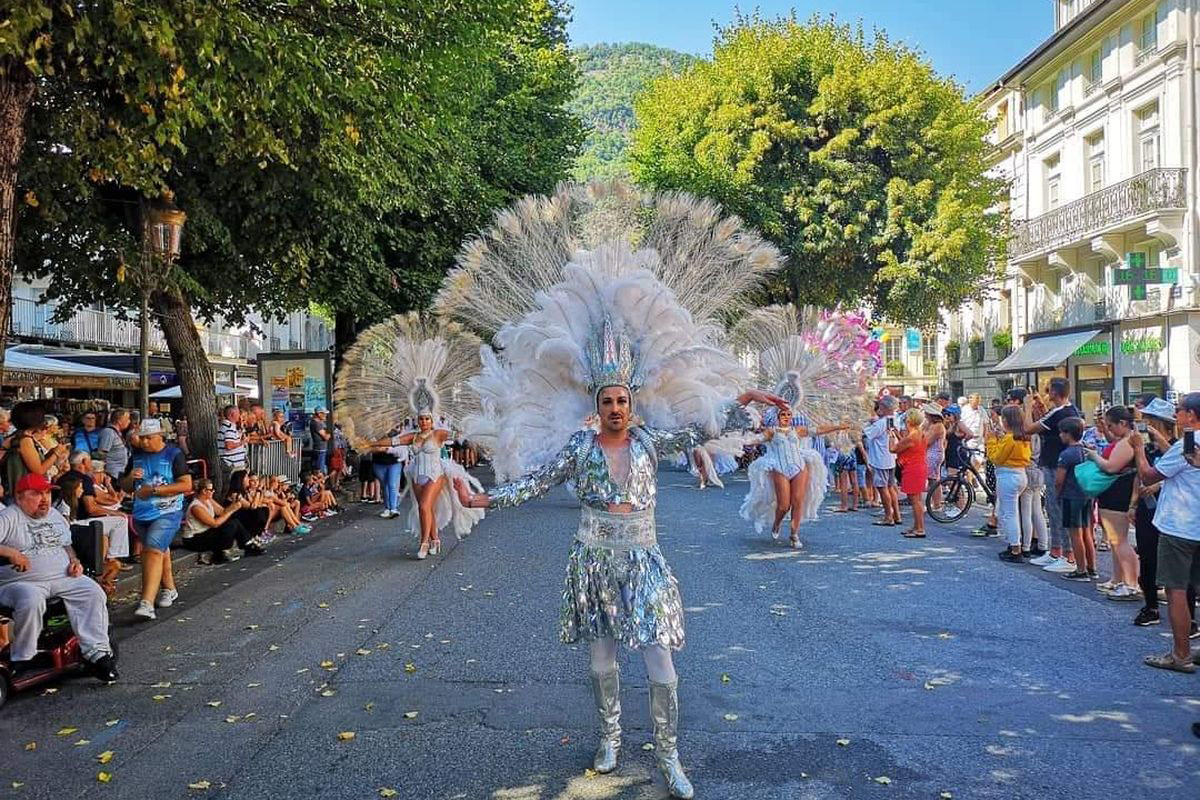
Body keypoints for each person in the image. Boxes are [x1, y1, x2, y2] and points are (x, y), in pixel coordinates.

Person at [0, 473, 118, 682]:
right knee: (31, 600)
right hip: (21, 582)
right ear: (19, 497)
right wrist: (12, 553)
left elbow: (66, 545)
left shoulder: (54, 515)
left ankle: (98, 654)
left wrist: (74, 561)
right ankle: (23, 657)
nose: (44, 499)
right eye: (36, 494)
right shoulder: (9, 517)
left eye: (46, 492)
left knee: (92, 592)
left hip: (62, 577)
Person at [1131, 392, 1200, 672]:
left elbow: (1150, 475)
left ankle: (1180, 654)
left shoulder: (1190, 442)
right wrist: (1159, 439)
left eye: (1181, 410)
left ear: (1192, 415)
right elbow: (1181, 462)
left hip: (1180, 526)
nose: (1177, 414)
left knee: (1176, 590)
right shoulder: (1188, 444)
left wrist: (1137, 448)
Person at [123, 418, 192, 621]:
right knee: (159, 550)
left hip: (168, 511)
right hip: (142, 512)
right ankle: (169, 588)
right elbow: (126, 486)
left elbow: (186, 484)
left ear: (160, 437)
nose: (144, 443)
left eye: (149, 438)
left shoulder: (173, 454)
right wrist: (130, 479)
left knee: (152, 550)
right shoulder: (136, 455)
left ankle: (146, 602)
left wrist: (155, 490)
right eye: (142, 438)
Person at [1081, 405, 1141, 600]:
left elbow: (1111, 467)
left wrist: (1094, 456)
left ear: (1122, 423)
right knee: (1116, 541)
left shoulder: (1127, 442)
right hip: (1113, 494)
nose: (1109, 430)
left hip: (1118, 494)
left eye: (1111, 425)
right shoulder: (1125, 439)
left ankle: (1131, 583)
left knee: (1120, 540)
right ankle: (1118, 578)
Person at [1024, 378, 1081, 573]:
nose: (1046, 395)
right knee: (1052, 508)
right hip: (1054, 463)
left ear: (1055, 393)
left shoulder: (1059, 412)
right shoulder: (1067, 410)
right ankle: (1056, 550)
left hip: (1056, 465)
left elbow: (1028, 429)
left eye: (1048, 391)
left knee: (1057, 509)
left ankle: (1067, 554)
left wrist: (1027, 407)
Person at [59, 450, 130, 594]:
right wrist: (113, 512)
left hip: (78, 523)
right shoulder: (83, 480)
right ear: (84, 462)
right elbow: (91, 508)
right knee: (120, 521)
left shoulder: (62, 478)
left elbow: (98, 500)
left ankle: (109, 564)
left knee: (107, 530)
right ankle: (113, 557)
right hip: (78, 524)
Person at [180, 479, 265, 563]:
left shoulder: (208, 500)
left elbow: (222, 512)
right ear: (204, 491)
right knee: (230, 526)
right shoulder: (196, 507)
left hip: (205, 532)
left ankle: (248, 544)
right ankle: (222, 552)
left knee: (234, 521)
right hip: (194, 538)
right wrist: (231, 510)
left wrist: (233, 505)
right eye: (211, 490)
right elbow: (214, 523)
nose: (213, 492)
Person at [986, 405, 1032, 562]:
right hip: (1020, 473)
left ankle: (1015, 548)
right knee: (1010, 511)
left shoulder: (1010, 438)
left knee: (1009, 514)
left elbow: (996, 458)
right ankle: (1016, 544)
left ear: (1006, 420)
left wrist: (991, 440)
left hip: (1007, 475)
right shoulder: (1022, 436)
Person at [1054, 417, 1095, 581]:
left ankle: (1081, 569)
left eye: (1062, 433)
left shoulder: (1066, 454)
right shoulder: (1085, 450)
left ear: (1068, 434)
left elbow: (1059, 480)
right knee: (1087, 532)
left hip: (1071, 496)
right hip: (1086, 494)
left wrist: (1057, 495)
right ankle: (1092, 566)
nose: (1060, 436)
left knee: (1075, 534)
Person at [4, 401, 69, 496]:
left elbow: (35, 462)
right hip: (23, 493)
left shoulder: (21, 437)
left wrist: (51, 452)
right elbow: (39, 470)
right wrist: (56, 454)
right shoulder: (25, 440)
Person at [889, 408, 928, 538]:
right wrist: (898, 435)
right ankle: (917, 526)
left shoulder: (912, 436)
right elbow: (907, 445)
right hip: (918, 466)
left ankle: (920, 528)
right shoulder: (919, 433)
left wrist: (890, 436)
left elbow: (893, 449)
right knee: (915, 499)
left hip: (912, 468)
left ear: (909, 421)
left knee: (915, 500)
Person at [865, 395, 901, 527]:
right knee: (891, 487)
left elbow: (869, 433)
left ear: (885, 407)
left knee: (882, 488)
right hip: (890, 458)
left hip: (880, 459)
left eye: (880, 406)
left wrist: (867, 422)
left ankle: (888, 516)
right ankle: (896, 514)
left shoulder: (882, 423)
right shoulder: (893, 419)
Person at [922, 404, 947, 511]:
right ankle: (935, 503)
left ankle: (936, 503)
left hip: (933, 453)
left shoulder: (937, 426)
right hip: (932, 453)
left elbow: (926, 441)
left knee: (933, 479)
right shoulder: (930, 424)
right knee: (933, 479)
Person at [218, 405, 248, 479]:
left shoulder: (229, 427)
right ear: (232, 414)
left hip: (233, 463)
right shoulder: (228, 428)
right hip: (232, 463)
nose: (239, 415)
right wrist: (242, 442)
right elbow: (229, 445)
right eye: (238, 413)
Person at [309, 408, 331, 474]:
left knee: (321, 467)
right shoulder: (316, 424)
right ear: (319, 414)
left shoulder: (319, 423)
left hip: (321, 448)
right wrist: (328, 434)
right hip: (319, 449)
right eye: (324, 414)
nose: (325, 415)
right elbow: (326, 437)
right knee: (320, 469)